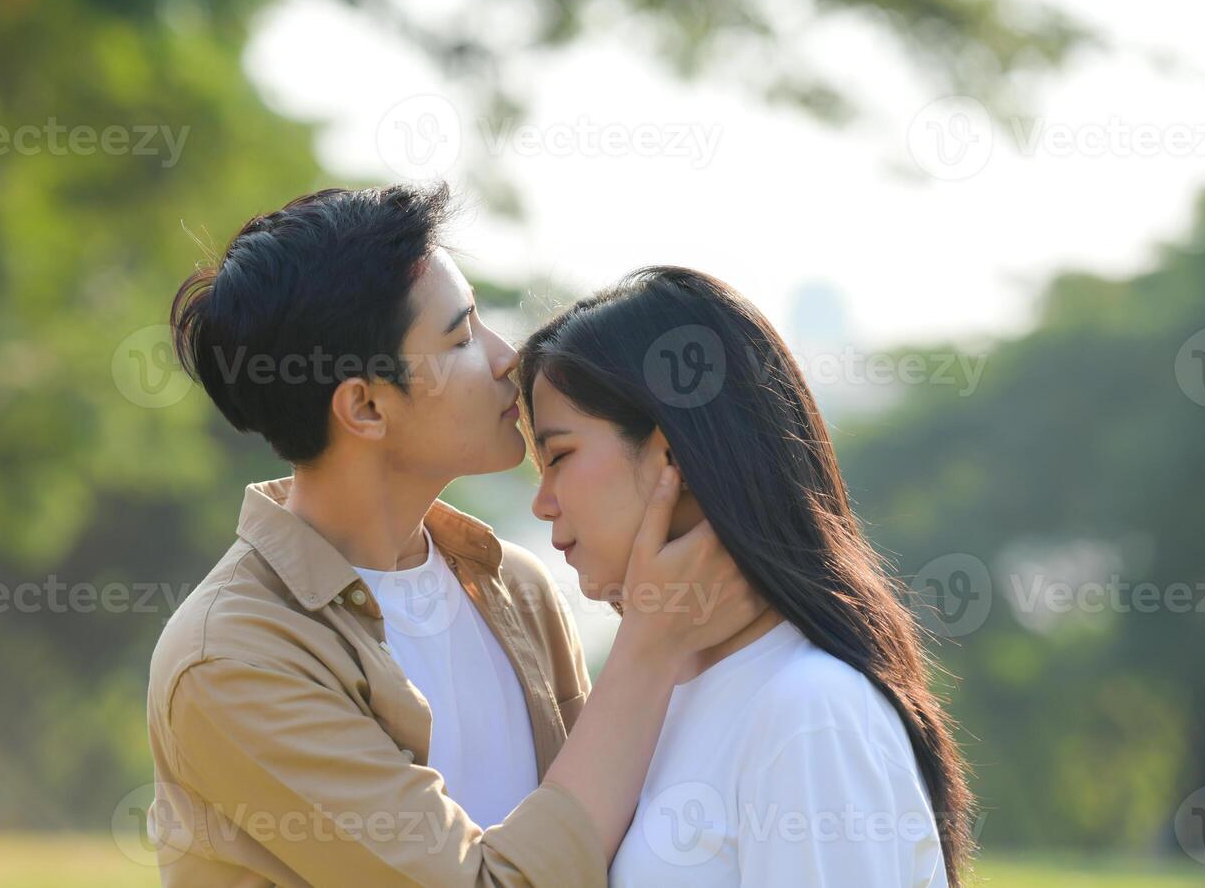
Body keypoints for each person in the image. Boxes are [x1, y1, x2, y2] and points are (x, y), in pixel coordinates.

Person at [147, 185, 765, 886]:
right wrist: (651, 647)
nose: (508, 358)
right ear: (366, 406)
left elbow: (613, 840)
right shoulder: (237, 656)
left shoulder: (511, 587)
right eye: (463, 336)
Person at [518, 265, 976, 887]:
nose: (542, 502)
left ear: (671, 455)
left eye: (560, 457)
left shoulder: (810, 709)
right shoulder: (659, 697)